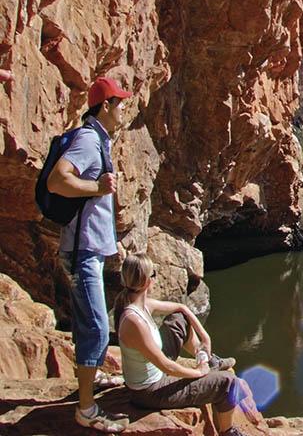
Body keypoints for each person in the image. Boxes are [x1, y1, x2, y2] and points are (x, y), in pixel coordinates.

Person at [47, 76, 132, 432]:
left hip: (91, 249)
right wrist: (96, 186)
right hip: (82, 253)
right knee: (97, 328)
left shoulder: (100, 140)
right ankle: (86, 411)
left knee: (89, 325)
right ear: (106, 105)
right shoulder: (87, 138)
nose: (124, 108)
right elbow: (57, 181)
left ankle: (90, 384)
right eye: (120, 102)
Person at [115, 253, 249, 436]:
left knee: (177, 320)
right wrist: (199, 373)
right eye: (154, 274)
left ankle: (209, 360)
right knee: (228, 382)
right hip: (150, 392)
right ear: (147, 281)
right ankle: (227, 431)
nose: (156, 277)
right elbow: (167, 366)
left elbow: (181, 309)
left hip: (155, 374)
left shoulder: (140, 304)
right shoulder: (134, 321)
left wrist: (204, 336)